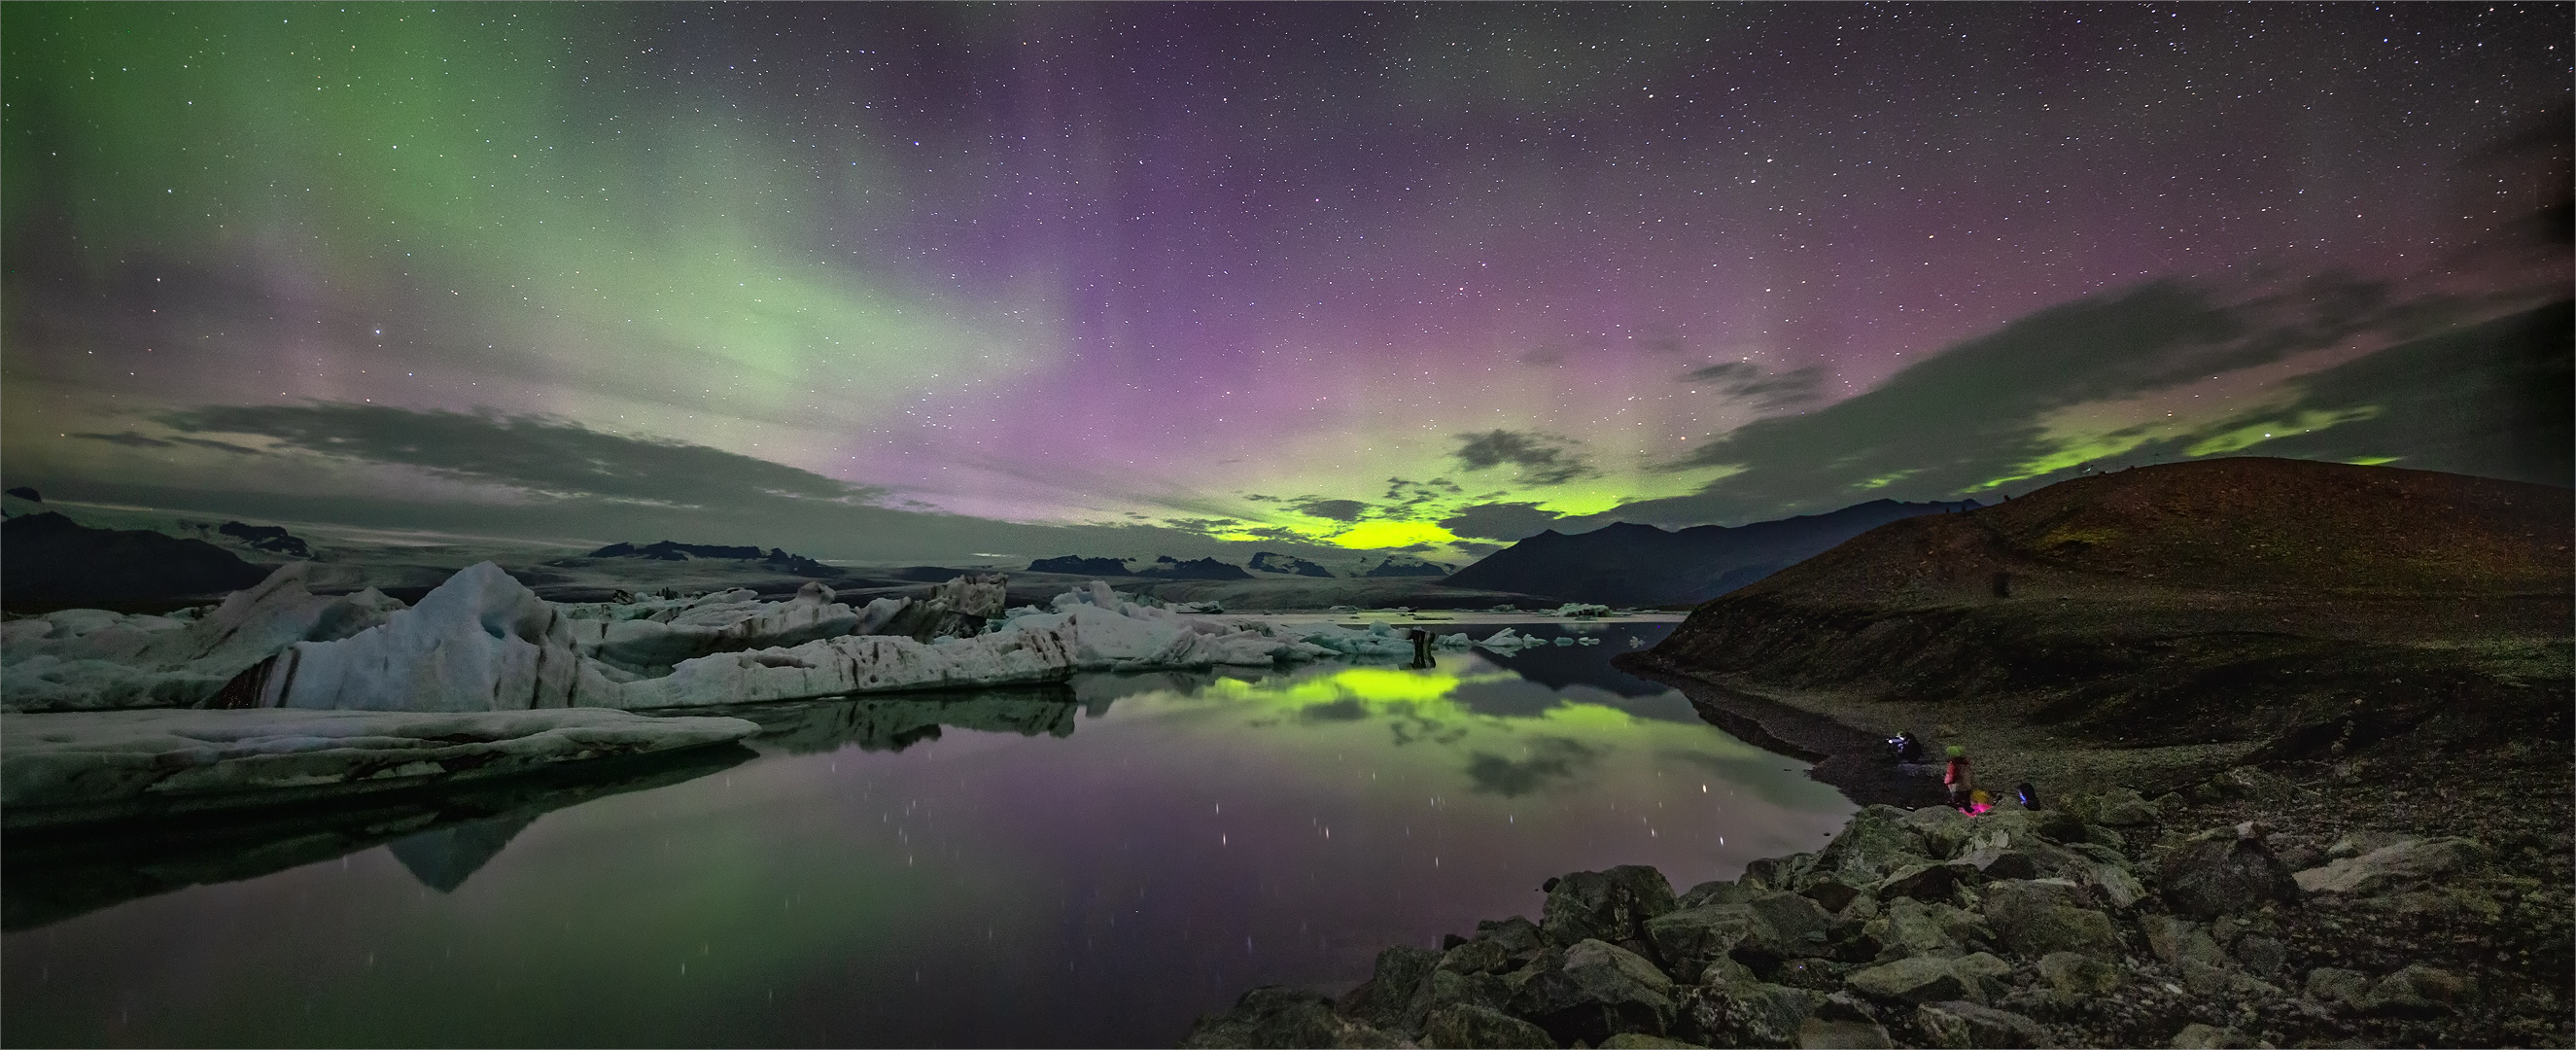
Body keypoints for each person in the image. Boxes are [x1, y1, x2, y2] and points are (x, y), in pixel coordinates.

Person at [1944, 745, 1975, 811]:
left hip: (1957, 788)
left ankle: (1955, 810)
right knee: (1966, 801)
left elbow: (1951, 776)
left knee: (1956, 801)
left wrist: (1947, 782)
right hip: (1967, 787)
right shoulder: (1966, 764)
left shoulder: (1953, 765)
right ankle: (1969, 809)